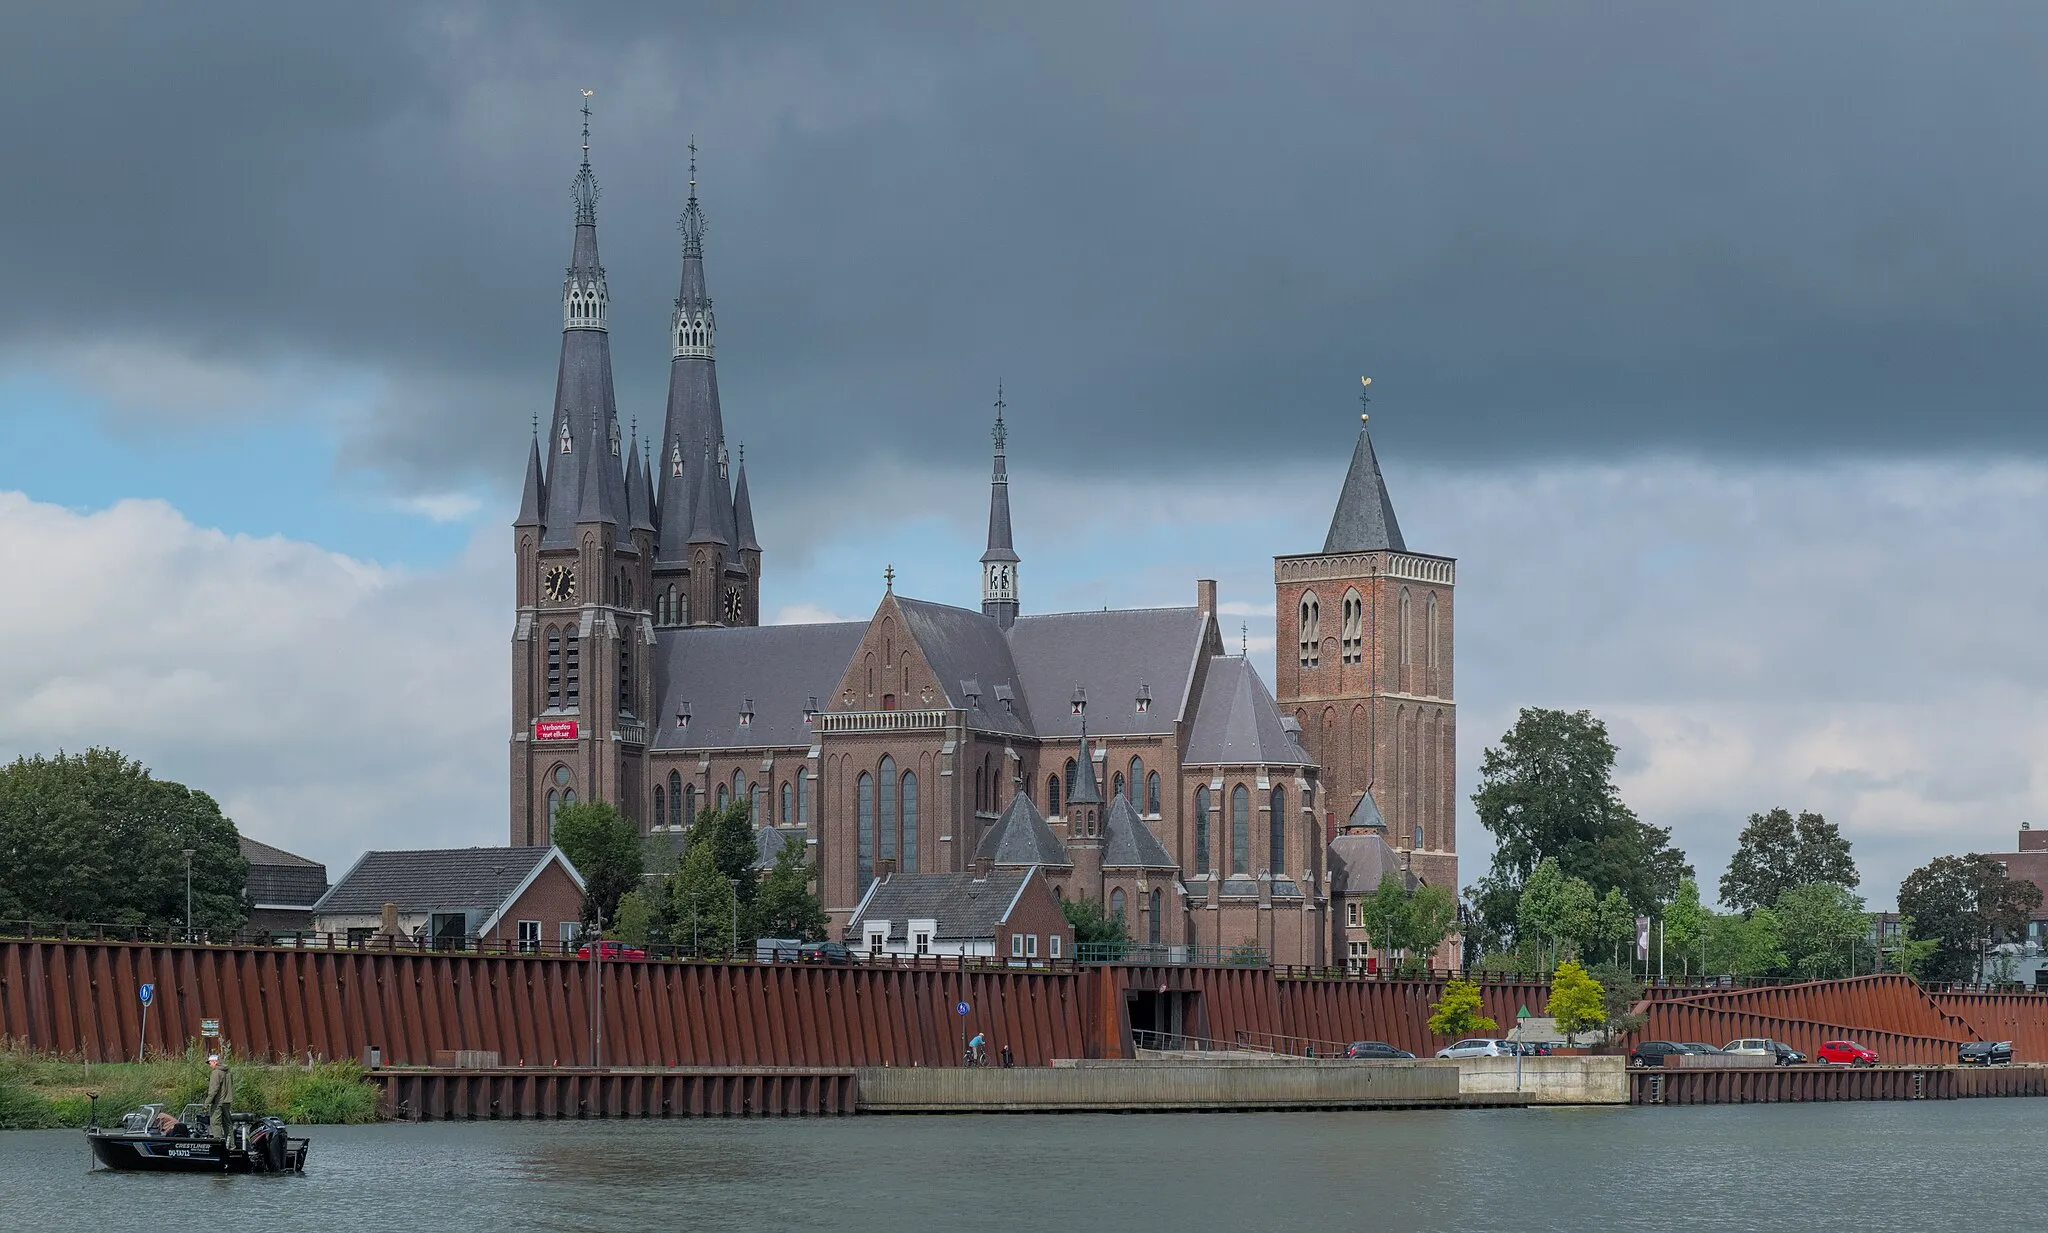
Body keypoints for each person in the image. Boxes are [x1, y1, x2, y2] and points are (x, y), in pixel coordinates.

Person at [204, 1051, 234, 1139]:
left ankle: (218, 1145)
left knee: (215, 1123)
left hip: (218, 1103)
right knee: (228, 1124)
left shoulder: (216, 1073)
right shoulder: (228, 1072)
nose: (210, 1065)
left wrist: (206, 1103)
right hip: (227, 1101)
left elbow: (213, 1090)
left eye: (210, 1063)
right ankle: (231, 1146)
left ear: (214, 1062)